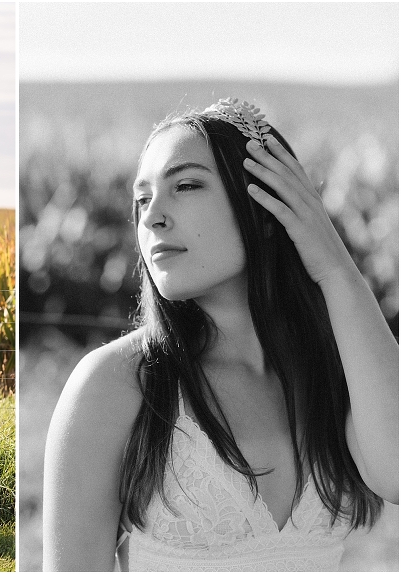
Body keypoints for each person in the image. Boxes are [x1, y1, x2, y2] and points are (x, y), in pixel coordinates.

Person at [43, 99, 398, 571]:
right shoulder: (118, 384)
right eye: (143, 198)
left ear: (268, 205)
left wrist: (334, 267)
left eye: (185, 185)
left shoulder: (335, 370)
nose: (152, 218)